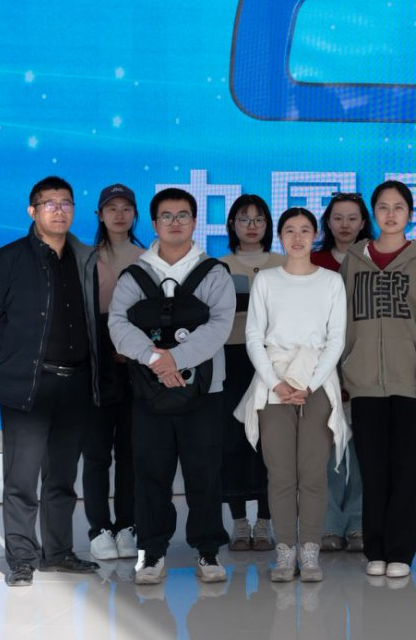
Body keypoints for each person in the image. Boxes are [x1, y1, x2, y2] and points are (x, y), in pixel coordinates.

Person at [0, 176, 102, 587]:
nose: (59, 210)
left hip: (76, 383)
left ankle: (58, 552)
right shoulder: (5, 259)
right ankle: (22, 559)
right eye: (50, 203)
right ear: (33, 210)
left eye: (66, 203)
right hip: (29, 384)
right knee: (22, 480)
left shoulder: (85, 258)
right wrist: (9, 362)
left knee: (62, 477)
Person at [109, 188, 236, 585]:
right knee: (150, 473)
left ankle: (208, 550)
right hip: (149, 393)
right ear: (154, 223)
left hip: (204, 394)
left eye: (183, 215)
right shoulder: (135, 275)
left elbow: (220, 325)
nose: (175, 222)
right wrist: (155, 361)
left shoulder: (213, 272)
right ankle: (151, 552)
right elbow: (118, 324)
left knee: (205, 472)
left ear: (195, 222)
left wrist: (173, 360)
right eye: (167, 216)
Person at [341, 181, 416, 579]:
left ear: (410, 213)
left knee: (407, 469)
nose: (390, 214)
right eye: (383, 207)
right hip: (363, 381)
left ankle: (401, 552)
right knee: (372, 470)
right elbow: (342, 319)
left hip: (411, 381)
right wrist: (343, 370)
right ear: (374, 213)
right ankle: (376, 549)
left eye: (398, 207)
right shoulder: (354, 260)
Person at [236, 207, 350, 583]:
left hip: (317, 384)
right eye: (289, 230)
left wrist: (310, 384)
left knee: (313, 474)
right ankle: (285, 552)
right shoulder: (267, 280)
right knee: (281, 474)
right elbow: (254, 336)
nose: (297, 237)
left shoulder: (331, 281)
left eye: (304, 230)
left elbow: (336, 339)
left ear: (315, 235)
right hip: (274, 384)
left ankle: (310, 552)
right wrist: (275, 382)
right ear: (280, 236)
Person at [220, 194, 285, 554]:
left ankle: (264, 522)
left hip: (273, 362)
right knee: (232, 439)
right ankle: (239, 524)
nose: (251, 226)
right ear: (232, 224)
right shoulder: (218, 266)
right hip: (231, 358)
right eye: (244, 219)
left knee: (269, 441)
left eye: (259, 219)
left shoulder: (282, 264)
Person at [85, 183, 144, 562]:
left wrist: (133, 348)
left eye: (126, 208)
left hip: (136, 365)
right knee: (96, 453)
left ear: (135, 214)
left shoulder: (148, 258)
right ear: (100, 215)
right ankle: (98, 528)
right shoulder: (86, 258)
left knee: (130, 452)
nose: (119, 215)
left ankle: (127, 524)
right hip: (97, 366)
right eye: (112, 208)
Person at [312, 192, 372, 554]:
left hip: (365, 362)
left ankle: (358, 521)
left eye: (352, 218)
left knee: (363, 447)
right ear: (328, 222)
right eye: (338, 218)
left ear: (363, 222)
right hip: (321, 366)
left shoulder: (374, 259)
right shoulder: (314, 261)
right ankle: (330, 524)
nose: (345, 225)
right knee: (328, 446)